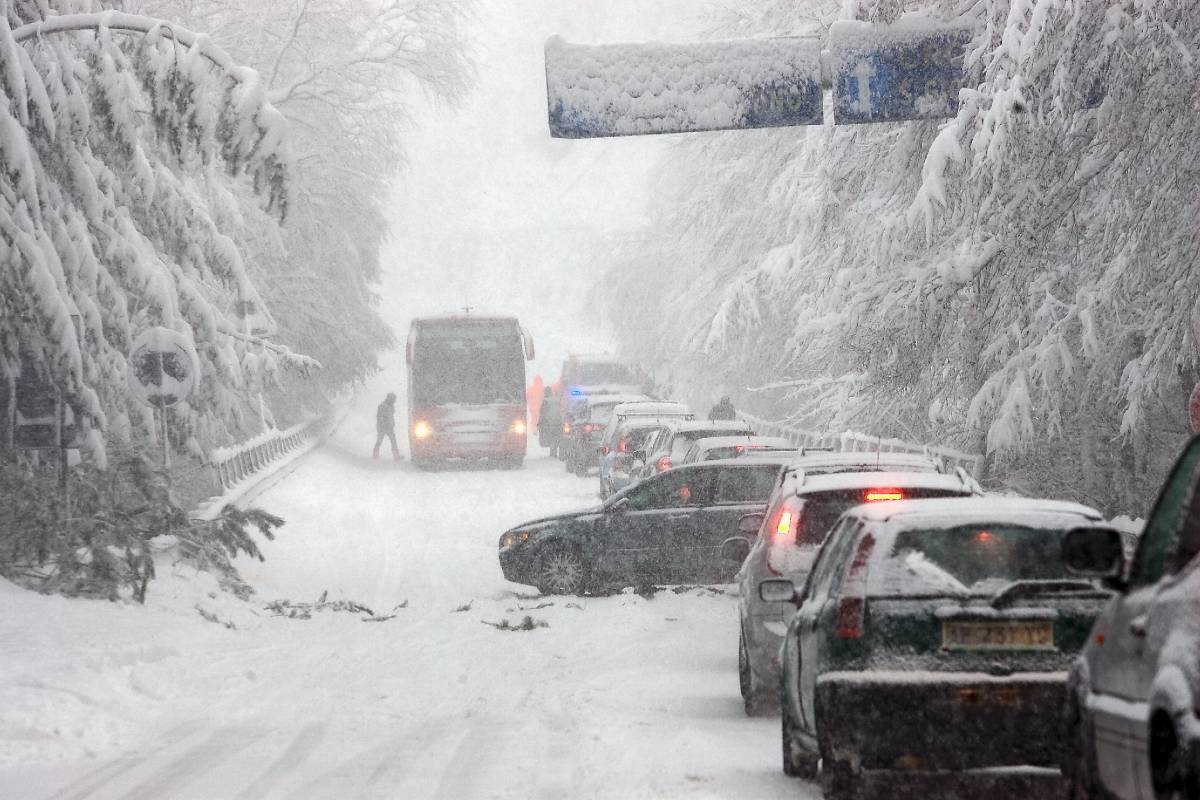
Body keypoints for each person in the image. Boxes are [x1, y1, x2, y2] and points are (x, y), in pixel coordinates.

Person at [373, 392, 401, 460]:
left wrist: (392, 423)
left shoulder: (390, 406)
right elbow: (380, 417)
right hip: (383, 427)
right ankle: (375, 455)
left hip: (389, 427)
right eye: (393, 399)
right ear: (390, 399)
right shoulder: (383, 406)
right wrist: (385, 424)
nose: (394, 401)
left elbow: (390, 416)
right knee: (380, 441)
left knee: (393, 441)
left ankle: (396, 456)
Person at [537, 386, 561, 450]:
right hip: (558, 422)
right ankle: (554, 449)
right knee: (556, 437)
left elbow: (542, 413)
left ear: (546, 392)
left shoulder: (545, 401)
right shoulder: (557, 400)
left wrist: (539, 422)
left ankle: (552, 450)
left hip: (549, 422)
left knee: (550, 436)